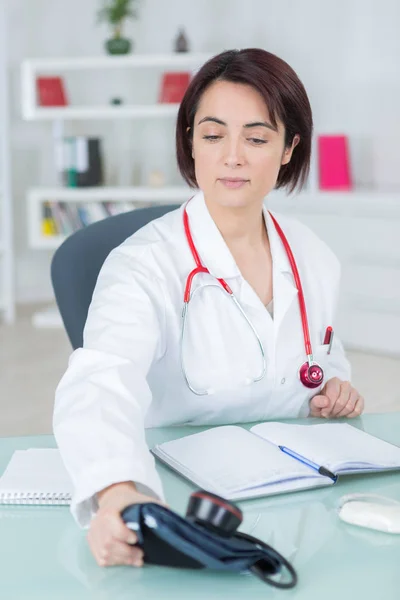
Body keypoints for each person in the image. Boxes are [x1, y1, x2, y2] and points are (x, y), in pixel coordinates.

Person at [53, 48, 364, 568]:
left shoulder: (313, 256)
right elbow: (100, 381)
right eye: (213, 135)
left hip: (292, 497)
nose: (232, 156)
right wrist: (116, 492)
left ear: (289, 148)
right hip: (177, 497)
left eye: (257, 138)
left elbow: (322, 358)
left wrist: (332, 388)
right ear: (191, 143)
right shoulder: (144, 264)